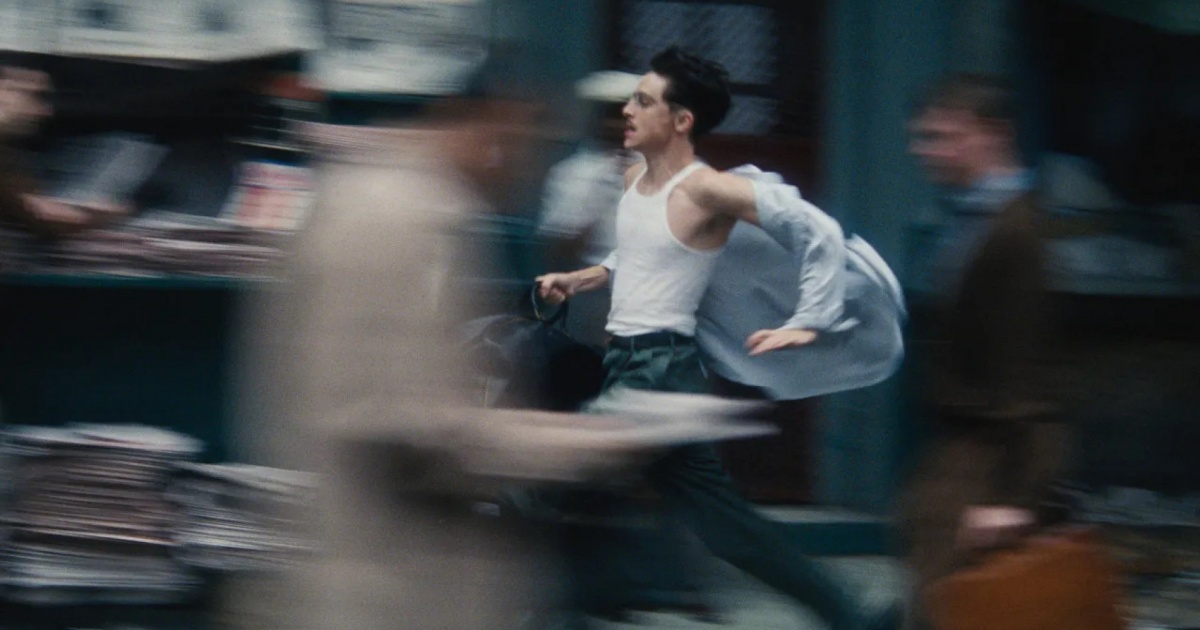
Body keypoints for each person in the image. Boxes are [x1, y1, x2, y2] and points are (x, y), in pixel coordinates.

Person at [537, 46, 896, 630]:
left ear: (682, 121)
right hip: (627, 362)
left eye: (643, 101)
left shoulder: (706, 189)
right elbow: (637, 256)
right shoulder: (633, 181)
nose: (626, 110)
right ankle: (851, 614)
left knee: (560, 471)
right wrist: (581, 278)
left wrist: (810, 318)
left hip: (659, 370)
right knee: (724, 527)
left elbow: (817, 232)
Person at [899, 73, 1067, 629]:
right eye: (923, 137)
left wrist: (1015, 496)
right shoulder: (973, 219)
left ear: (993, 135)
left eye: (942, 137)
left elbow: (1029, 372)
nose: (924, 150)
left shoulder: (1017, 232)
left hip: (986, 461)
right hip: (955, 452)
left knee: (953, 610)